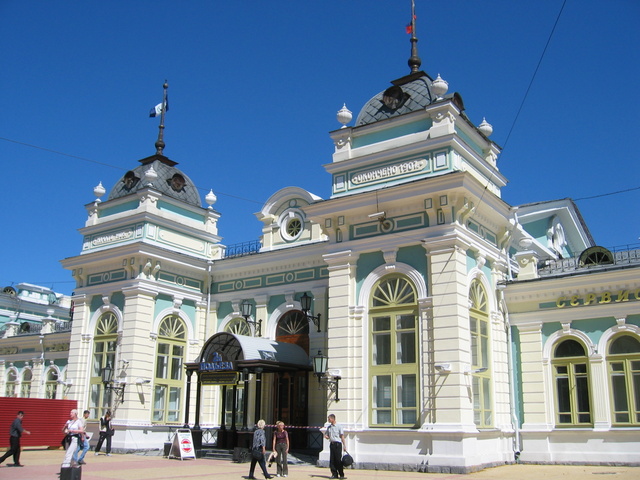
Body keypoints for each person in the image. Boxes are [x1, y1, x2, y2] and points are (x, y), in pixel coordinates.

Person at [324, 414, 346, 479]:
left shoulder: (339, 426)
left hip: (338, 444)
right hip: (332, 444)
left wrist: (344, 446)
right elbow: (327, 435)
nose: (328, 420)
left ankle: (341, 474)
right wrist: (326, 437)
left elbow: (342, 436)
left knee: (338, 460)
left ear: (333, 419)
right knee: (332, 460)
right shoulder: (329, 427)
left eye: (329, 419)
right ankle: (334, 474)